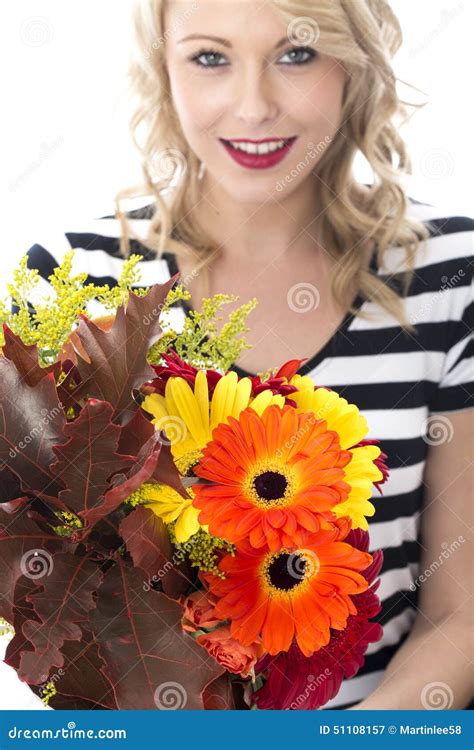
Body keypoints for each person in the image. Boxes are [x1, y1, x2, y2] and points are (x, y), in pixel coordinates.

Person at [17, 0, 472, 709]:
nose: (253, 106)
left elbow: (459, 615)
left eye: (296, 55)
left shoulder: (448, 275)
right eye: (210, 57)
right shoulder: (73, 277)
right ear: (162, 66)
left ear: (354, 65)